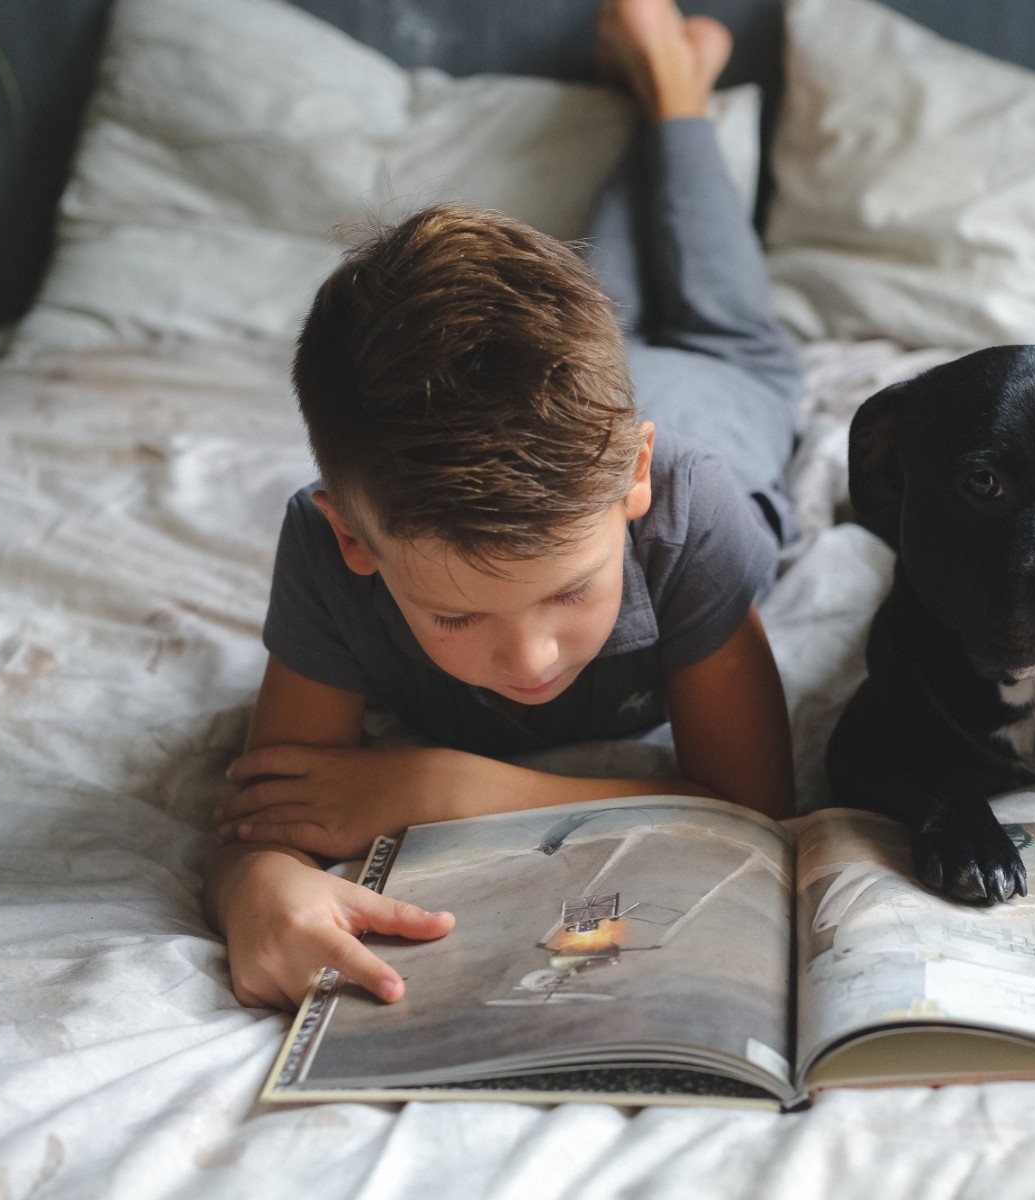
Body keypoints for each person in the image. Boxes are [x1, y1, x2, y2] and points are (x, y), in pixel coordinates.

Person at [202, 0, 803, 1010]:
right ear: (354, 537)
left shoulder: (693, 514)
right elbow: (269, 817)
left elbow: (756, 811)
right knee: (605, 282)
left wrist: (445, 789)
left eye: (570, 590)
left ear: (634, 482)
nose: (531, 659)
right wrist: (255, 886)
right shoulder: (324, 538)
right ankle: (665, 88)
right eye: (457, 614)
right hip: (601, 403)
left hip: (718, 386)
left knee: (710, 295)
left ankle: (675, 91)